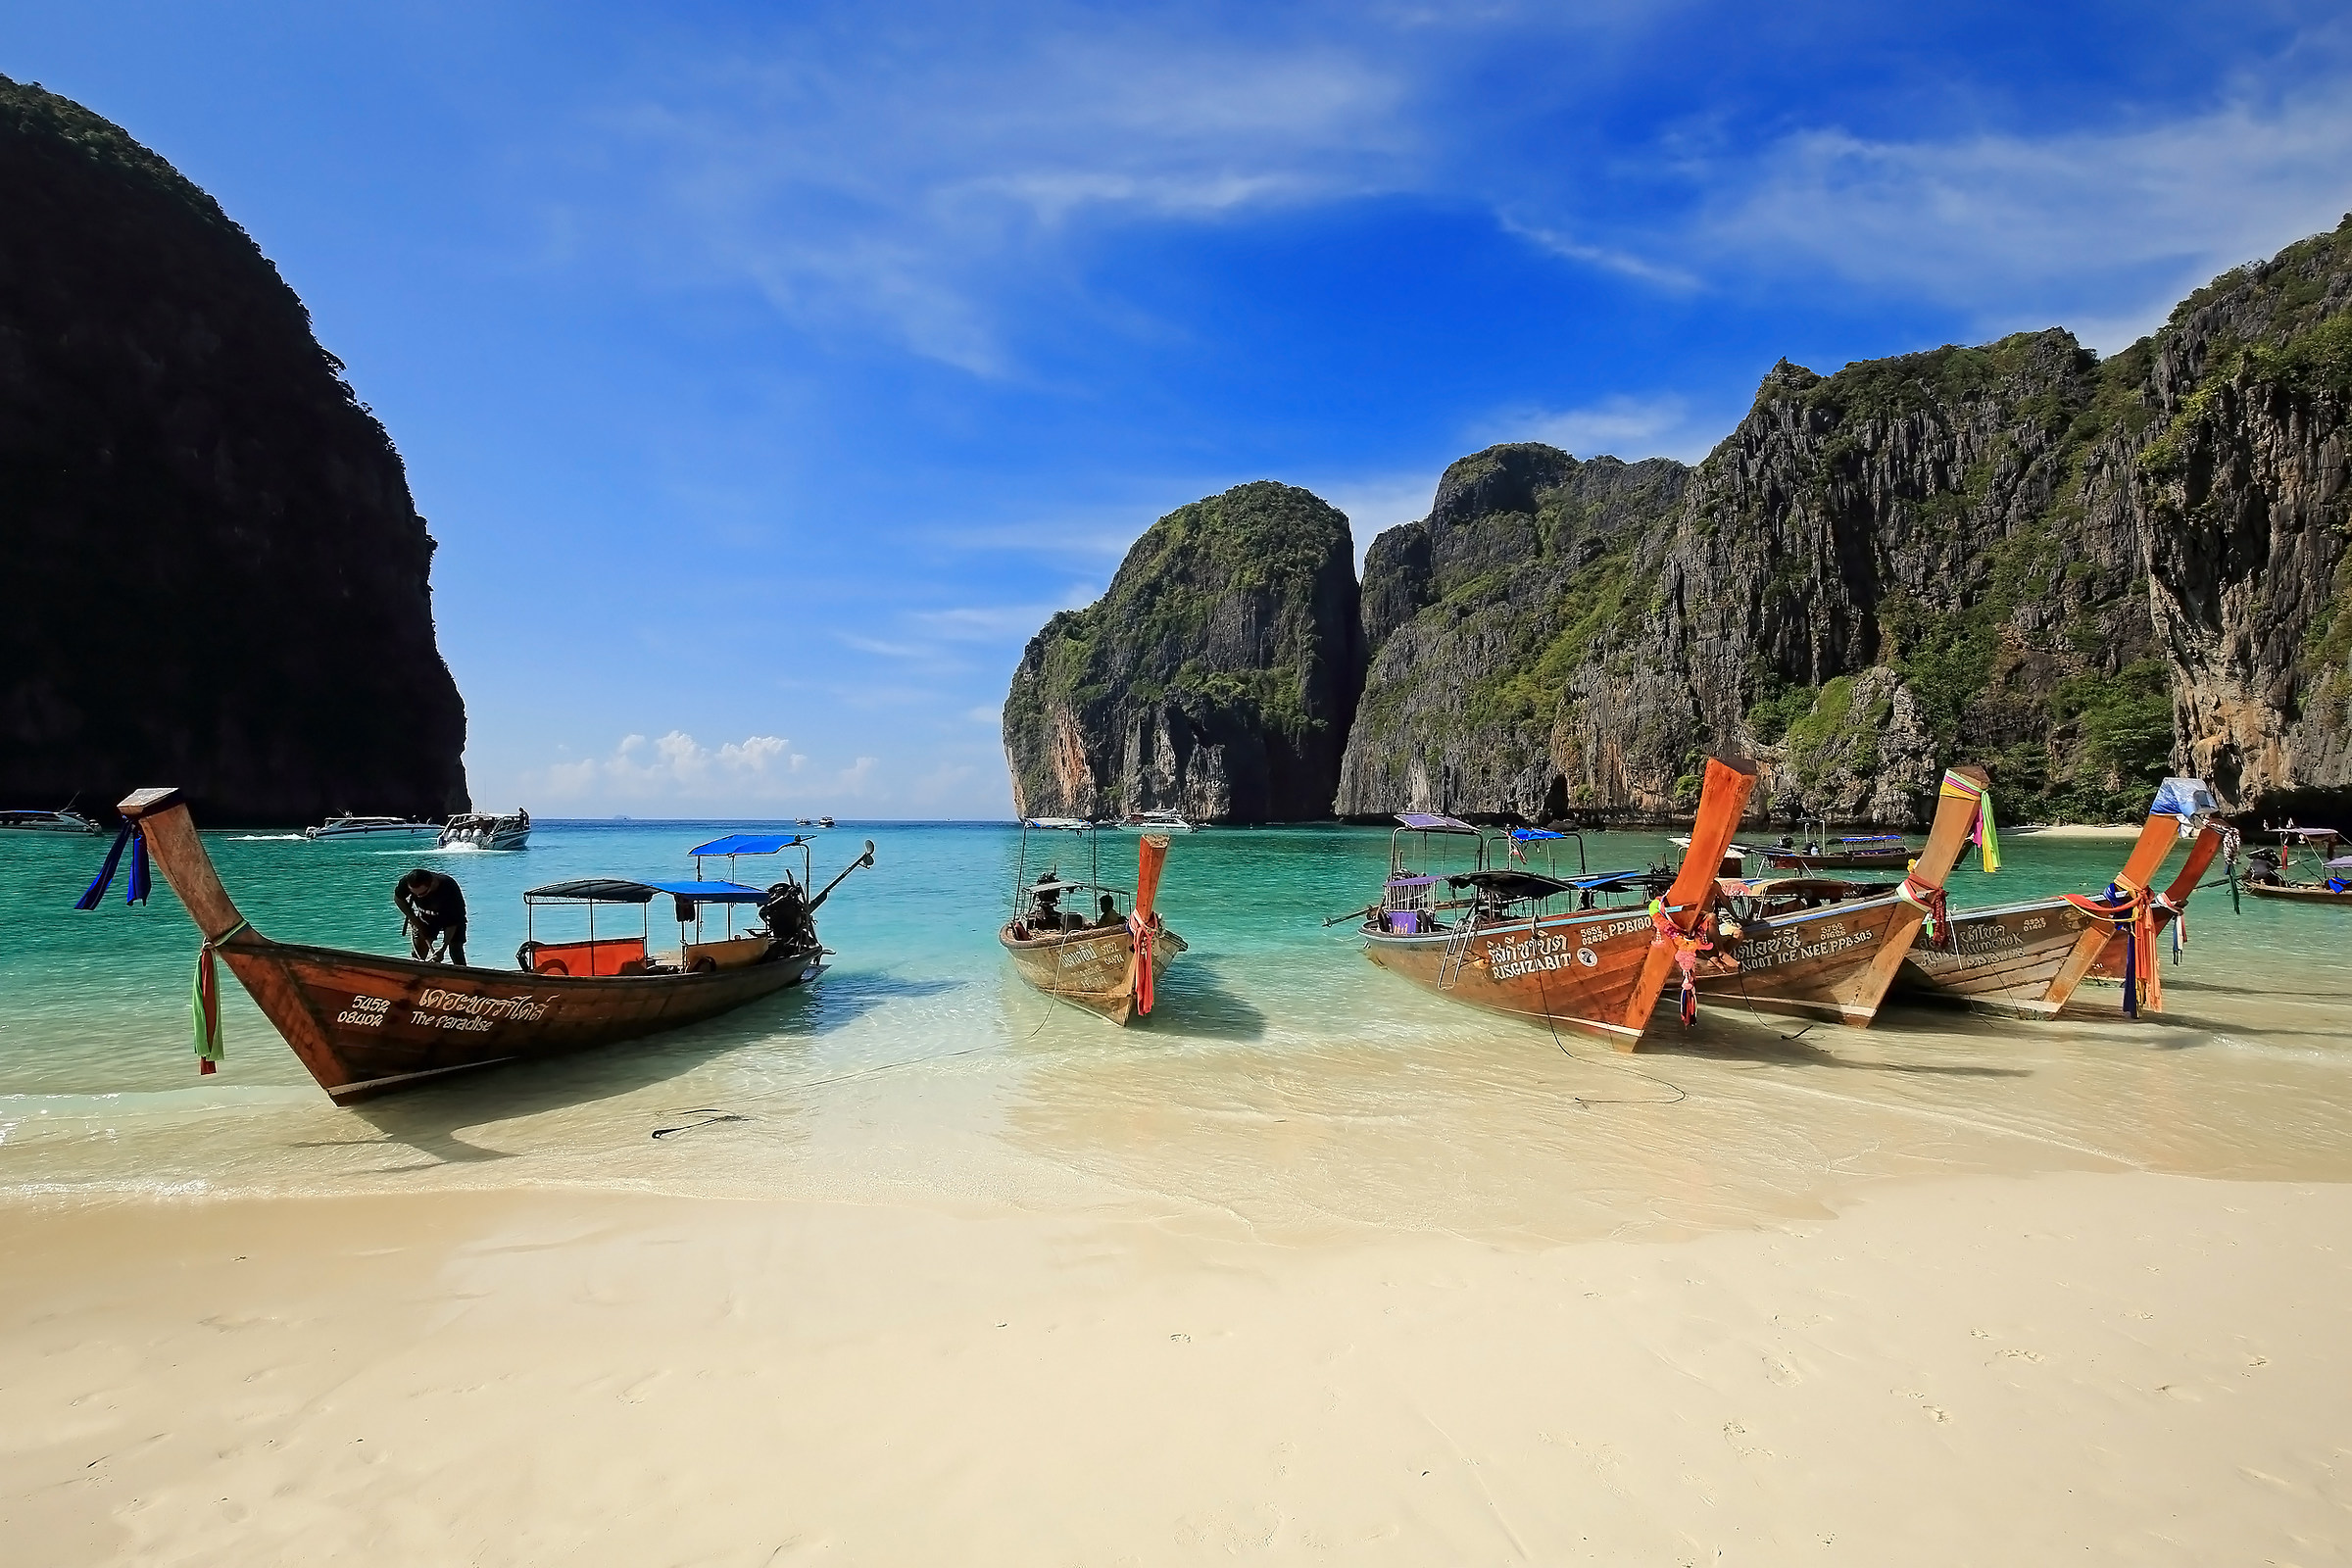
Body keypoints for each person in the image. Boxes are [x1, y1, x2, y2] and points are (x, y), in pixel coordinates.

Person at [395, 868, 467, 964]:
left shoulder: (449, 888)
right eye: (415, 894)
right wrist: (413, 919)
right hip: (426, 917)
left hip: (453, 919)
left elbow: (452, 923)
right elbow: (398, 898)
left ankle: (462, 976)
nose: (419, 896)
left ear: (433, 883)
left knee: (455, 950)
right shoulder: (407, 881)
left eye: (422, 893)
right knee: (418, 954)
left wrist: (443, 948)